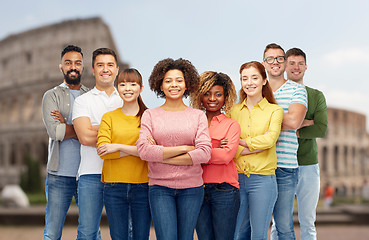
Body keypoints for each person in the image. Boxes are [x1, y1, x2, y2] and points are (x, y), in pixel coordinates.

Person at [136, 58, 212, 240]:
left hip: (192, 188)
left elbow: (204, 152)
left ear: (187, 84)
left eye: (179, 80)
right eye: (168, 81)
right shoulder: (150, 115)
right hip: (160, 188)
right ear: (160, 85)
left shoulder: (197, 116)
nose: (174, 85)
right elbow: (144, 150)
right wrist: (185, 148)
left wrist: (160, 154)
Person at [72, 48, 123, 240]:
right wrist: (118, 132)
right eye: (100, 65)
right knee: (87, 232)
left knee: (124, 232)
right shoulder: (82, 101)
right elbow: (84, 137)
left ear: (117, 69)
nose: (105, 69)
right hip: (90, 173)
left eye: (110, 65)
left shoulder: (126, 99)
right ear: (93, 70)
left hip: (122, 173)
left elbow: (135, 136)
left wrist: (97, 128)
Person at [230, 61, 284, 240]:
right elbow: (226, 145)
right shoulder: (232, 111)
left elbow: (270, 140)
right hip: (236, 180)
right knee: (237, 235)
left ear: (264, 80)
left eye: (254, 77)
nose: (249, 82)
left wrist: (241, 142)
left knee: (258, 235)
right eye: (244, 78)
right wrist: (254, 146)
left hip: (263, 181)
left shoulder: (274, 111)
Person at [96, 68, 151, 240]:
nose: (127, 88)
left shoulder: (149, 117)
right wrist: (138, 150)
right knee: (118, 237)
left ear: (141, 88)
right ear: (117, 88)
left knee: (141, 236)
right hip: (113, 186)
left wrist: (118, 147)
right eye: (122, 84)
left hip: (143, 185)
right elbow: (103, 151)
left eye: (133, 84)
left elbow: (151, 153)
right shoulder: (109, 117)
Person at [42, 45, 89, 240]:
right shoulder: (50, 96)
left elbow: (100, 133)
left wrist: (66, 124)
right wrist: (83, 130)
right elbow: (56, 131)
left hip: (87, 175)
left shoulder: (91, 96)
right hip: (58, 174)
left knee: (90, 233)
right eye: (68, 63)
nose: (73, 67)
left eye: (77, 63)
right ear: (60, 66)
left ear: (83, 67)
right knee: (52, 233)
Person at [262, 43, 308, 240]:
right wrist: (282, 115)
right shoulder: (257, 88)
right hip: (259, 165)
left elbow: (294, 121)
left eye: (279, 58)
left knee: (283, 225)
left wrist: (264, 118)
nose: (275, 62)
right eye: (270, 59)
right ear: (264, 63)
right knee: (253, 223)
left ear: (285, 62)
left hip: (285, 165)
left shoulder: (297, 90)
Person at [190, 71, 241, 239]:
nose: (212, 98)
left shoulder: (231, 125)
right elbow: (186, 154)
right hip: (197, 189)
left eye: (218, 94)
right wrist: (215, 146)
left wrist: (199, 151)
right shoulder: (193, 123)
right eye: (207, 94)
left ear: (226, 97)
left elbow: (226, 156)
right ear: (200, 96)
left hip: (225, 189)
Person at [285, 47, 328, 240]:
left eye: (300, 63)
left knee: (308, 223)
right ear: (285, 65)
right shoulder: (276, 94)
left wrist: (292, 125)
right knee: (280, 223)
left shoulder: (316, 95)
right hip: (281, 164)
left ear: (306, 66)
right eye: (292, 63)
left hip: (308, 165)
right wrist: (305, 122)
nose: (296, 67)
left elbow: (320, 129)